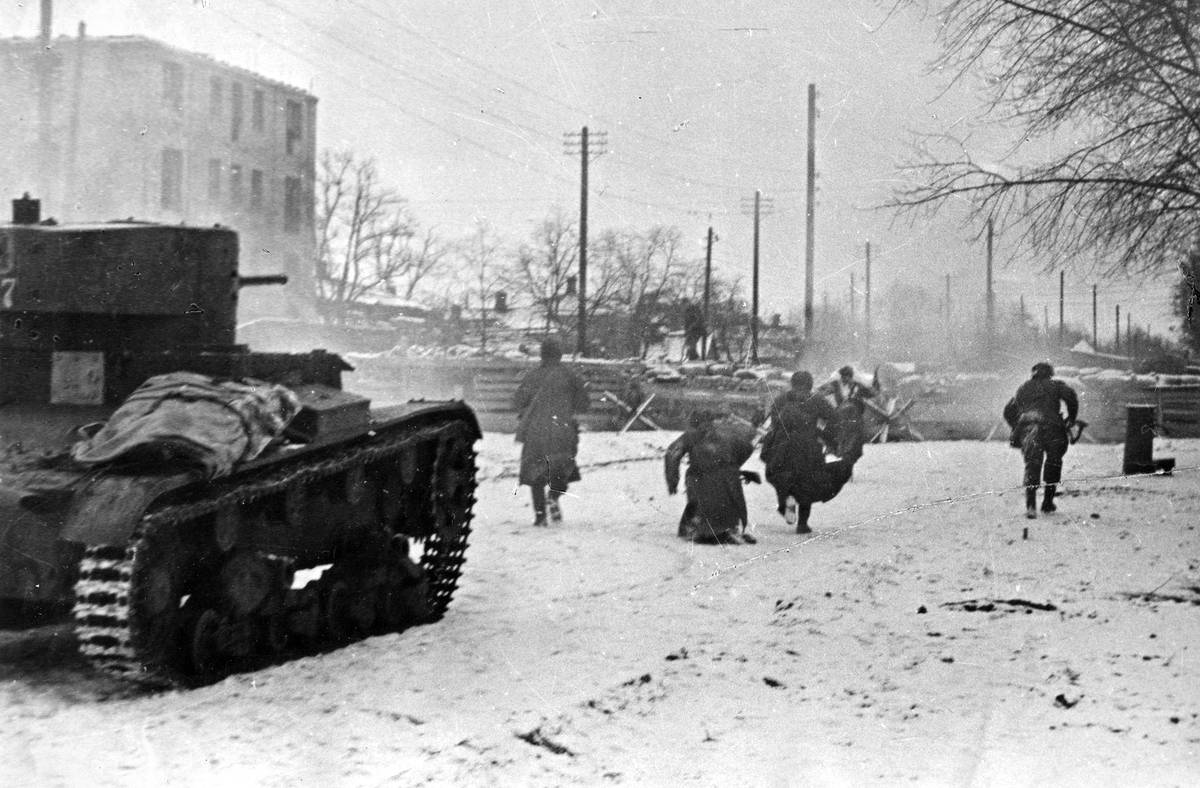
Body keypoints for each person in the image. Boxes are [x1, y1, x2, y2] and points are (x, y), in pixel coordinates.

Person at [761, 371, 854, 534]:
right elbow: (834, 419)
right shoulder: (817, 400)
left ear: (792, 383)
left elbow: (772, 421)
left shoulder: (781, 399)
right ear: (810, 384)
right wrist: (824, 435)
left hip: (782, 447)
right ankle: (802, 524)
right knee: (807, 483)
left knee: (783, 478)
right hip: (808, 447)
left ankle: (787, 504)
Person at [513, 338, 591, 526]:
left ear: (542, 354)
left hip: (536, 432)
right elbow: (584, 404)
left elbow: (518, 401)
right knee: (561, 469)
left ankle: (540, 516)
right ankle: (553, 498)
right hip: (562, 430)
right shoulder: (570, 375)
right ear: (559, 354)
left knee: (535, 474)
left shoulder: (532, 375)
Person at [664, 410, 759, 544]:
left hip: (702, 477)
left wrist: (672, 480)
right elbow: (747, 447)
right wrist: (734, 465)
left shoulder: (691, 435)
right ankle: (729, 529)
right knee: (725, 503)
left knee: (698, 495)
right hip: (729, 479)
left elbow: (672, 454)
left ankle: (701, 528)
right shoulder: (729, 433)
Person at [1003, 361, 1080, 519]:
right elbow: (1071, 397)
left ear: (1034, 373)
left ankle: (1031, 506)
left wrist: (1017, 426)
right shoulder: (1056, 385)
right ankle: (1047, 503)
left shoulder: (1024, 388)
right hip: (1053, 428)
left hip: (1030, 429)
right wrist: (1071, 418)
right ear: (1050, 373)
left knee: (1032, 464)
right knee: (1054, 463)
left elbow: (1008, 410)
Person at [817, 364, 879, 465]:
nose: (845, 379)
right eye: (843, 377)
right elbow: (820, 391)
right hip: (841, 415)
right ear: (841, 376)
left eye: (847, 377)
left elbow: (872, 393)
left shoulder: (858, 386)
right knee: (833, 432)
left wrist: (875, 382)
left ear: (851, 377)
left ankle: (847, 454)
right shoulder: (835, 385)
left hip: (854, 416)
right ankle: (834, 450)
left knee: (853, 438)